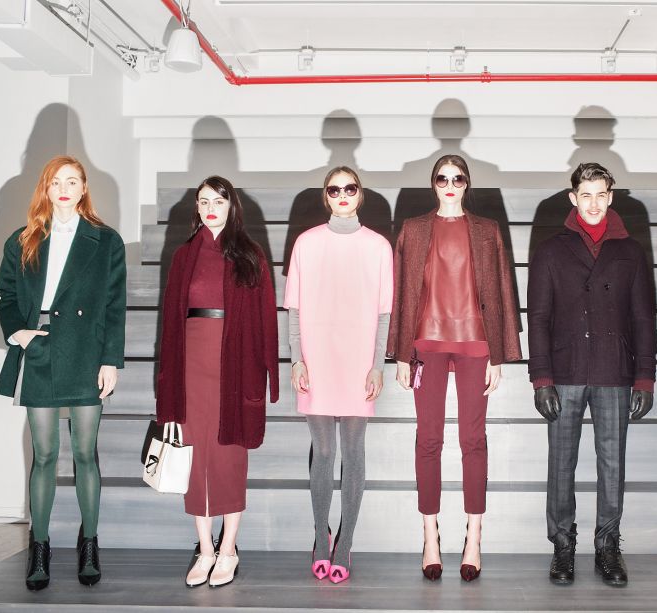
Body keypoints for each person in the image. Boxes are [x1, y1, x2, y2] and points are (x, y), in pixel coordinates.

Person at [387, 154, 522, 581]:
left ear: (467, 184)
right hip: (426, 343)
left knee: (472, 441)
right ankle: (430, 536)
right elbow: (402, 294)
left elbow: (502, 289)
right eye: (442, 178)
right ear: (433, 184)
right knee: (427, 439)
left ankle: (474, 537)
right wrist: (401, 354)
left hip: (475, 345)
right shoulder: (413, 228)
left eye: (457, 177)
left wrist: (498, 355)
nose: (450, 184)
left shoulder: (486, 230)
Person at [0, 155, 126, 590]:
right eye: (56, 182)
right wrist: (19, 333)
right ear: (46, 189)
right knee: (45, 455)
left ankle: (89, 543)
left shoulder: (106, 241)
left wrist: (111, 360)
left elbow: (114, 307)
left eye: (73, 181)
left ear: (84, 187)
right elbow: (6, 295)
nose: (64, 188)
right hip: (41, 350)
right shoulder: (23, 239)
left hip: (87, 353)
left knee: (86, 452)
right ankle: (40, 547)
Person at [528, 163, 657, 587]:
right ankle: (563, 547)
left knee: (612, 466)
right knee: (560, 464)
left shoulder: (632, 251)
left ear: (611, 197)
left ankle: (608, 546)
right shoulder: (549, 249)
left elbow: (642, 317)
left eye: (601, 194)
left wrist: (644, 378)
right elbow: (540, 316)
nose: (594, 203)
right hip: (564, 371)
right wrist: (541, 379)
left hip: (614, 371)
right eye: (586, 195)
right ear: (573, 198)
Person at [156, 175, 279, 588]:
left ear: (232, 207)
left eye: (219, 201)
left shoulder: (250, 255)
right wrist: (167, 388)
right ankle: (205, 550)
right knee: (195, 458)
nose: (211, 208)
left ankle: (229, 550)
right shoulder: (184, 256)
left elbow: (264, 320)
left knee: (229, 457)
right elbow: (169, 326)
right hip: (191, 366)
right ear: (196, 207)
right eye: (204, 201)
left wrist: (267, 377)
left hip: (234, 366)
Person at [284, 166, 393, 583]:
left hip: (359, 362)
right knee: (324, 453)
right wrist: (297, 359)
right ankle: (320, 536)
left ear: (360, 195)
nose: (343, 194)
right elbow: (293, 309)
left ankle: (345, 543)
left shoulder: (378, 246)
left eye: (350, 188)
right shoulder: (307, 243)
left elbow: (384, 313)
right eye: (335, 189)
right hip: (316, 359)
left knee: (354, 450)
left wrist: (378, 365)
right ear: (326, 196)